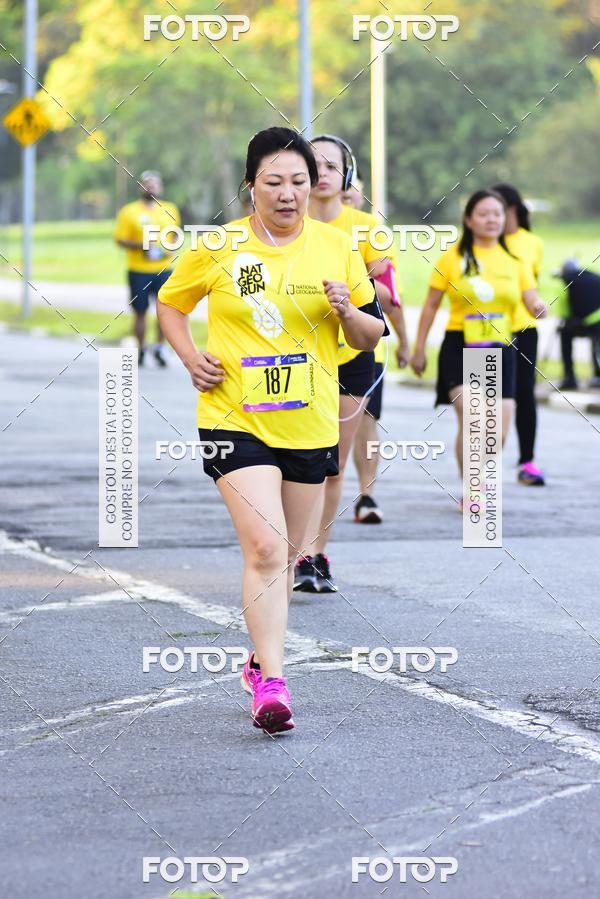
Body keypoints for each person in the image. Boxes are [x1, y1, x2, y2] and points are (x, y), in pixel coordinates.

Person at [156, 127, 384, 734]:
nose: (288, 193)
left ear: (315, 185)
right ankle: (275, 686)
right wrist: (189, 357)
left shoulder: (337, 247)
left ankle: (260, 659)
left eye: (299, 181)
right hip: (233, 417)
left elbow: (369, 336)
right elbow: (172, 303)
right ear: (250, 185)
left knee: (286, 553)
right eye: (274, 181)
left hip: (309, 422)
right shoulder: (219, 246)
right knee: (264, 548)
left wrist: (347, 310)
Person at [293, 135, 402, 592]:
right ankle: (285, 546)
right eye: (313, 165)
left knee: (332, 461)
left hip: (352, 354)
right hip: (294, 356)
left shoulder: (366, 228)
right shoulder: (284, 224)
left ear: (347, 176)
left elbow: (388, 295)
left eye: (331, 166)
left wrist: (352, 291)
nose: (322, 174)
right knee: (293, 458)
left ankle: (313, 555)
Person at [410, 189, 546, 509]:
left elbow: (530, 298)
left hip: (501, 348)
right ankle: (473, 488)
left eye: (497, 214)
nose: (491, 220)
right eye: (483, 214)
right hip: (461, 345)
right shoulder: (451, 258)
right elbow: (430, 306)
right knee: (473, 418)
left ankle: (479, 477)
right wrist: (418, 349)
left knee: (497, 432)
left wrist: (539, 306)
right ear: (469, 220)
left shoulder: (515, 261)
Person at [492, 184, 546, 486]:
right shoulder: (482, 242)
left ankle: (527, 461)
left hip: (524, 329)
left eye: (497, 211)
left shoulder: (532, 243)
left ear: (511, 210)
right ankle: (482, 471)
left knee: (525, 394)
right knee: (489, 399)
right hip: (488, 329)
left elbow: (530, 286)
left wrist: (537, 305)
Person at [115, 171, 180, 366]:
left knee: (164, 311)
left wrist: (171, 247)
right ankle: (141, 348)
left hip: (164, 269)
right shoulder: (129, 212)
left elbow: (176, 233)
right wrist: (142, 246)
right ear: (140, 187)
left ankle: (159, 348)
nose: (151, 187)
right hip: (139, 270)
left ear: (161, 187)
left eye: (155, 184)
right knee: (140, 312)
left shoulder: (170, 208)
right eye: (147, 184)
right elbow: (120, 239)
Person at [554, 260, 600, 390]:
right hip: (597, 322)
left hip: (584, 323)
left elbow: (565, 313)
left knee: (565, 333)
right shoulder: (594, 277)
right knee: (596, 341)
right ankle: (598, 376)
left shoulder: (566, 282)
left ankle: (570, 378)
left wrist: (566, 324)